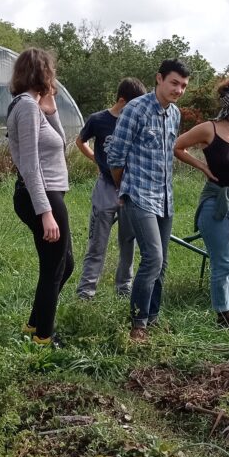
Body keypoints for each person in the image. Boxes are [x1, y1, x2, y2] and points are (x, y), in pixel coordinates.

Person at [108, 59, 191, 342]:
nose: (178, 90)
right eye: (174, 83)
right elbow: (116, 156)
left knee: (163, 262)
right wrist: (125, 189)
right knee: (152, 257)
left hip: (165, 197)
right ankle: (137, 324)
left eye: (183, 86)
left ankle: (153, 318)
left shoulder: (175, 114)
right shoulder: (136, 109)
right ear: (159, 79)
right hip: (138, 195)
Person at [174, 73, 229, 329]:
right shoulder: (209, 128)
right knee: (223, 263)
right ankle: (223, 317)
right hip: (217, 204)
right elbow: (177, 146)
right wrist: (203, 167)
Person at [7, 48, 73, 347]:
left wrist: (52, 106)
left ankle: (35, 323)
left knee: (63, 264)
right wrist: (45, 211)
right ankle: (44, 337)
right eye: (51, 72)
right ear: (43, 74)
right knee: (55, 267)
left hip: (48, 193)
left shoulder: (34, 107)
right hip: (41, 195)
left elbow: (60, 142)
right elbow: (30, 164)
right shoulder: (25, 108)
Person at [74, 77, 146, 300]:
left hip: (129, 189)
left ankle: (124, 289)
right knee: (97, 243)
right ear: (123, 101)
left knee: (128, 243)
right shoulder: (98, 120)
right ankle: (86, 292)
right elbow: (80, 141)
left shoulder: (136, 122)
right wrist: (97, 160)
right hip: (105, 188)